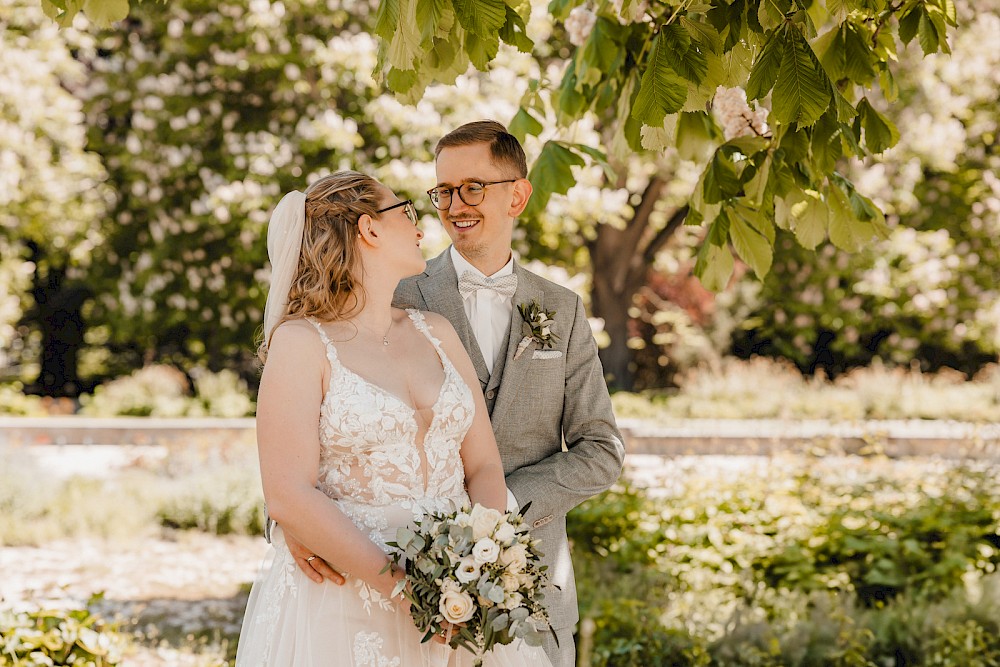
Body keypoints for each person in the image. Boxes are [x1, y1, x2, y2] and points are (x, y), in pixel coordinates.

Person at [285, 122, 626, 667]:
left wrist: (494, 514)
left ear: (517, 194)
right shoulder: (390, 287)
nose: (453, 205)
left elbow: (602, 450)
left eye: (473, 188)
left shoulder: (560, 308)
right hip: (391, 582)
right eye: (442, 191)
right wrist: (289, 524)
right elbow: (303, 416)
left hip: (529, 583)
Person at [236, 170, 553, 666]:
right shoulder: (300, 343)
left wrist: (484, 562)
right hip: (347, 599)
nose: (420, 224)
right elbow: (287, 492)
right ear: (369, 229)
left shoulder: (438, 332)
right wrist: (411, 592)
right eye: (405, 210)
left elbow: (484, 465)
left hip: (462, 602)